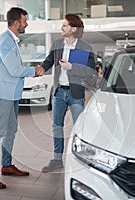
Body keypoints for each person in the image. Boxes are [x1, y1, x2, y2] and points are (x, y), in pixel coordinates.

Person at [0, 7, 45, 189]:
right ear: (16, 23)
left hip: (11, 94)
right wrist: (35, 71)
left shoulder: (11, 40)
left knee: (10, 130)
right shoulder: (5, 42)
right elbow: (15, 70)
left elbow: (13, 68)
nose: (26, 24)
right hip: (2, 95)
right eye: (25, 21)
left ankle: (6, 165)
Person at [40, 13, 95, 173]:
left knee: (79, 128)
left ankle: (80, 159)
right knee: (57, 126)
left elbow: (90, 70)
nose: (61, 28)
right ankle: (57, 160)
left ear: (74, 28)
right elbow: (49, 61)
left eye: (64, 25)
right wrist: (40, 69)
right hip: (59, 92)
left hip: (75, 92)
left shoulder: (85, 47)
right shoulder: (57, 43)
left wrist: (72, 67)